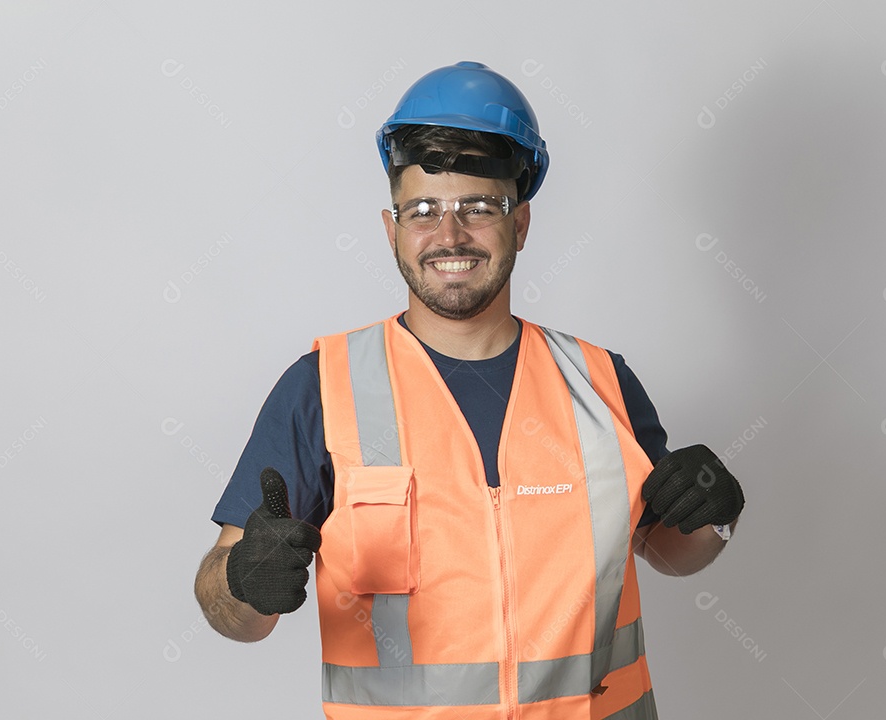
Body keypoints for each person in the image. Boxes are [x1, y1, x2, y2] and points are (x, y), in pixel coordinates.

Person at [194, 61, 745, 720]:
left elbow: (666, 550)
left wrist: (716, 514)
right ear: (390, 228)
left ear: (521, 225)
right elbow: (228, 606)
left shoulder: (602, 382)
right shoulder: (321, 388)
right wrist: (243, 583)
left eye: (479, 208)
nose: (449, 235)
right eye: (422, 210)